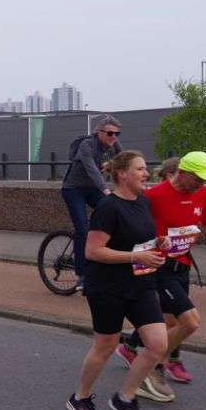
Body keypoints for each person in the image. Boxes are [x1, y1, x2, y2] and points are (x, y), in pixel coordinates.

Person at [116, 151, 206, 385]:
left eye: (205, 179)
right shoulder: (154, 195)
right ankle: (153, 366)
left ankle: (134, 351)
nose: (202, 184)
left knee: (170, 323)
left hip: (182, 265)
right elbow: (132, 226)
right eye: (198, 178)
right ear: (182, 172)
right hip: (159, 266)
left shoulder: (202, 194)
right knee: (190, 322)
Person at [64, 151, 170, 410]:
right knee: (106, 346)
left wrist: (158, 242)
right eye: (140, 169)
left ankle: (125, 398)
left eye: (145, 168)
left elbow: (138, 238)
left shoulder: (143, 202)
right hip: (108, 287)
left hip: (141, 284)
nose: (146, 173)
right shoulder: (108, 208)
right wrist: (136, 256)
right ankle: (80, 398)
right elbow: (92, 251)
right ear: (123, 174)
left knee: (158, 344)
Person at [60, 115, 123, 294]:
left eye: (116, 133)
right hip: (74, 190)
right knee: (82, 229)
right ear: (99, 132)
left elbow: (125, 164)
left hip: (93, 190)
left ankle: (105, 259)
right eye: (110, 133)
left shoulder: (115, 146)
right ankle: (82, 275)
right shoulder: (87, 145)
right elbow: (92, 170)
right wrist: (106, 190)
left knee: (113, 216)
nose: (113, 136)